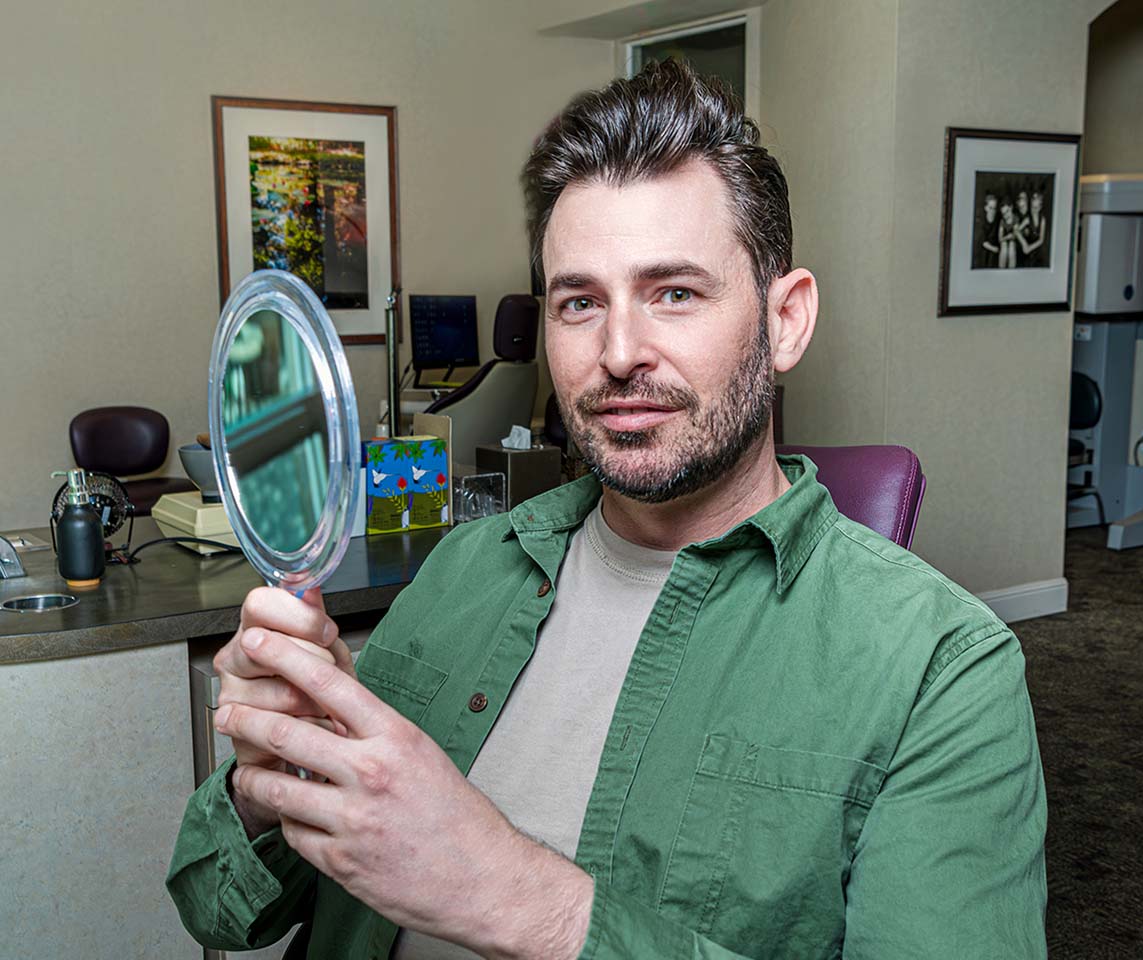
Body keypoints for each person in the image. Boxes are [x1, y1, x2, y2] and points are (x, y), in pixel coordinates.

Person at [168, 60, 1047, 959]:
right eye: (580, 302)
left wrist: (509, 893)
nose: (619, 352)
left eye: (674, 292)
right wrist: (275, 773)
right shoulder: (466, 570)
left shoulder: (941, 672)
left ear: (785, 320)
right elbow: (218, 910)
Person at [974, 192, 1000, 268]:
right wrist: (994, 249)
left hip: (994, 249)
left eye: (994, 208)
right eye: (990, 208)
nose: (993, 211)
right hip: (984, 249)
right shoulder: (981, 221)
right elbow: (983, 242)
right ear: (986, 208)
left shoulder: (997, 219)